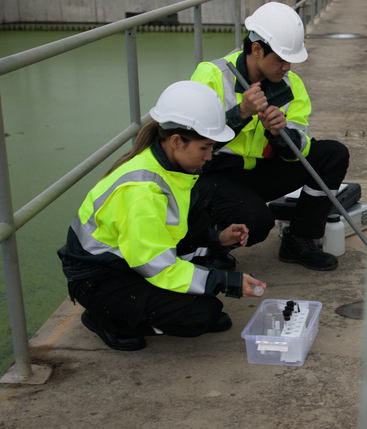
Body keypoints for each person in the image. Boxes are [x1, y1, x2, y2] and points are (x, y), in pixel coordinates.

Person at [57, 81, 267, 351]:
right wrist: (227, 283)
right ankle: (107, 318)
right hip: (99, 278)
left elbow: (173, 232)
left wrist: (217, 238)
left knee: (210, 307)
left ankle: (130, 310)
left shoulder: (172, 168)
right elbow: (160, 267)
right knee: (200, 316)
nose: (209, 156)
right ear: (177, 141)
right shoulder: (142, 193)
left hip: (127, 262)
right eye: (204, 148)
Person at [190, 2, 349, 271]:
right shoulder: (212, 77)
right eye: (280, 59)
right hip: (214, 176)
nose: (286, 67)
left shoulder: (291, 86)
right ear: (256, 49)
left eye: (291, 60)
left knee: (333, 154)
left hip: (260, 172)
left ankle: (299, 239)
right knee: (258, 221)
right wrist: (239, 114)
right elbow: (190, 147)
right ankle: (209, 244)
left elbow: (303, 146)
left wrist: (279, 133)